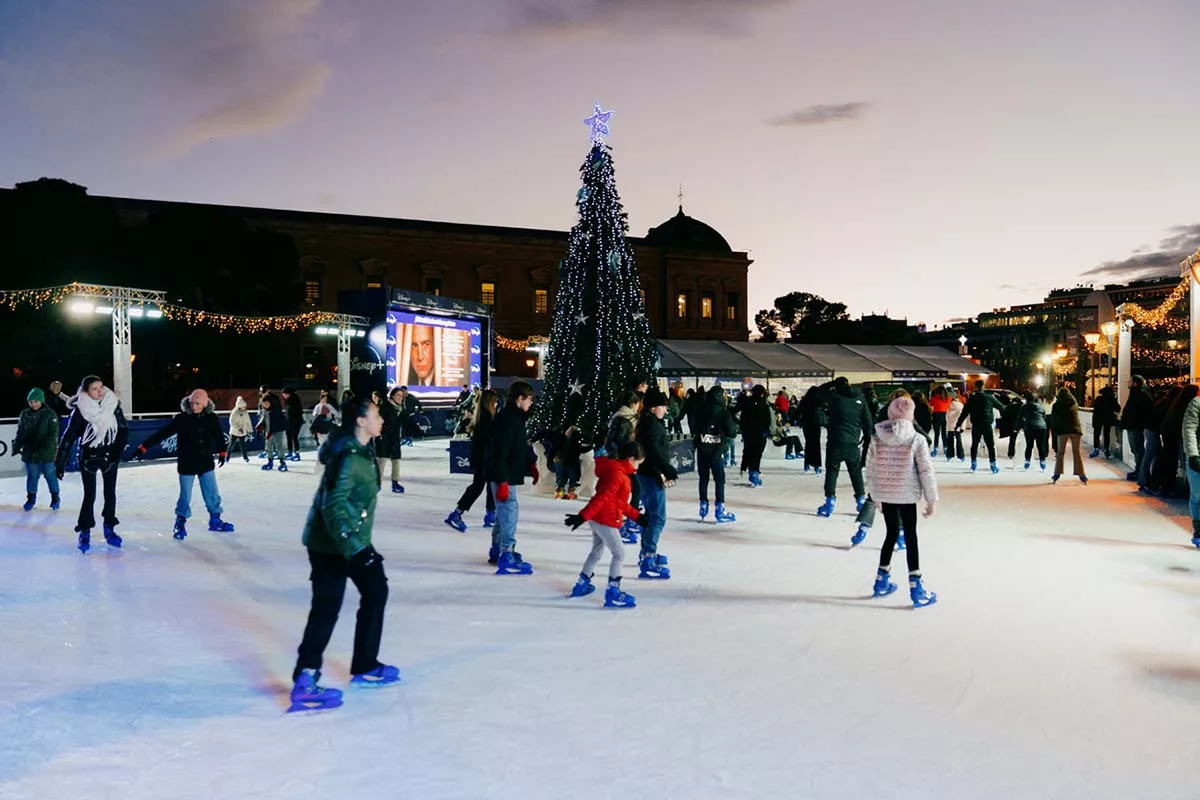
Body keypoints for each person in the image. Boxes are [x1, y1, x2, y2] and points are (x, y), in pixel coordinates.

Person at [289, 398, 399, 713]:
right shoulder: (350, 456)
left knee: (376, 590)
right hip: (330, 545)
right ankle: (305, 678)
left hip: (350, 539)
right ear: (361, 421)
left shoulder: (362, 449)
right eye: (377, 415)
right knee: (327, 606)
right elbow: (333, 505)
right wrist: (355, 549)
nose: (382, 420)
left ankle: (365, 663)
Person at [865, 396, 939, 608]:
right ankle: (916, 588)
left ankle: (881, 581)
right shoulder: (917, 439)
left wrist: (875, 495)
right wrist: (931, 499)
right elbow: (926, 471)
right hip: (906, 495)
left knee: (890, 534)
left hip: (887, 494)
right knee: (910, 536)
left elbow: (870, 468)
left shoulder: (877, 437)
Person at [133, 388, 236, 539]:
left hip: (205, 462)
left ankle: (215, 520)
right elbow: (163, 433)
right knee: (185, 495)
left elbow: (218, 435)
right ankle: (180, 523)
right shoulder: (182, 418)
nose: (194, 406)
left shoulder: (211, 418)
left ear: (205, 404)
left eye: (198, 404)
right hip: (187, 463)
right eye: (192, 403)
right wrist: (144, 446)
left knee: (211, 492)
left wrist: (222, 451)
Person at [564, 440, 642, 608]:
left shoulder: (616, 471)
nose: (637, 467)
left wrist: (637, 516)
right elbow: (602, 498)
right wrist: (582, 516)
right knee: (619, 553)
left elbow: (618, 502)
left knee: (597, 551)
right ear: (630, 458)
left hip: (599, 518)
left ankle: (581, 583)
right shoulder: (618, 475)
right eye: (637, 463)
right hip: (605, 519)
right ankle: (613, 591)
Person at [55, 376, 128, 553]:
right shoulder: (81, 410)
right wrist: (60, 461)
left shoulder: (112, 405)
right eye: (95, 389)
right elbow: (69, 436)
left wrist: (116, 454)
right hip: (88, 456)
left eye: (101, 387)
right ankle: (85, 530)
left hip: (109, 455)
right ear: (86, 392)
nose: (100, 391)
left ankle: (109, 528)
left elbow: (123, 430)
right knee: (90, 495)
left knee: (110, 493)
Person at [486, 381, 539, 573]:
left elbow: (519, 446)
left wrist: (531, 463)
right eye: (529, 399)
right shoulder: (507, 420)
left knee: (504, 513)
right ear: (520, 399)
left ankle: (498, 549)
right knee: (509, 512)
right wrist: (502, 480)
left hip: (506, 474)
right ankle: (506, 553)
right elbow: (500, 451)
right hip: (503, 475)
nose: (531, 403)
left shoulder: (515, 418)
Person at [634, 387, 678, 579]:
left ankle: (647, 552)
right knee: (657, 517)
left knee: (651, 515)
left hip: (648, 473)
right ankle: (648, 557)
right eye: (662, 406)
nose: (665, 410)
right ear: (652, 408)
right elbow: (653, 451)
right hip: (652, 474)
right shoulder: (651, 424)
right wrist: (666, 469)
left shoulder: (650, 422)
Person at [814, 377, 873, 517]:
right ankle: (860, 501)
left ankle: (829, 502)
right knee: (856, 472)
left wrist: (831, 384)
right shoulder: (860, 399)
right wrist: (866, 438)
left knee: (832, 472)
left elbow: (817, 391)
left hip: (835, 441)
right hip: (853, 442)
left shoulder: (835, 397)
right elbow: (868, 422)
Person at [444, 388, 499, 532]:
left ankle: (490, 513)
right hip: (485, 459)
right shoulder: (487, 419)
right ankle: (457, 513)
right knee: (478, 486)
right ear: (489, 403)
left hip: (483, 458)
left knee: (488, 485)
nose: (496, 404)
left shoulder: (482, 417)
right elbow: (489, 441)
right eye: (494, 402)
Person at [693, 386, 737, 523]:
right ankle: (720, 509)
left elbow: (694, 426)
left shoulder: (701, 410)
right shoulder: (723, 412)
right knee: (719, 479)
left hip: (702, 449)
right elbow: (732, 431)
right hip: (716, 451)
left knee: (703, 478)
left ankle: (703, 505)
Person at [13, 387, 61, 512]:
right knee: (32, 475)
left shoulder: (50, 414)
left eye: (36, 401)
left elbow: (53, 434)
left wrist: (45, 446)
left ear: (41, 401)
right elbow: (20, 431)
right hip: (30, 451)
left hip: (46, 451)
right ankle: (31, 498)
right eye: (31, 402)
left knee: (50, 474)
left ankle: (55, 497)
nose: (33, 404)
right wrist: (18, 444)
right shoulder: (25, 414)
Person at [604, 390, 642, 542]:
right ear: (633, 404)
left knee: (631, 490)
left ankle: (624, 521)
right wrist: (624, 456)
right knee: (629, 491)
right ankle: (619, 523)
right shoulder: (623, 420)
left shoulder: (624, 418)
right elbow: (616, 442)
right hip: (620, 462)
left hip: (622, 461)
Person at [953, 380, 1005, 473]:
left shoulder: (972, 399)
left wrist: (958, 424)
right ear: (983, 386)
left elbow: (964, 413)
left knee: (975, 444)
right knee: (990, 445)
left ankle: (973, 463)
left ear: (975, 387)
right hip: (987, 423)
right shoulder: (989, 398)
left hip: (976, 424)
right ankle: (993, 465)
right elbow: (1001, 407)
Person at [1049, 388, 1086, 485]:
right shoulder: (1074, 403)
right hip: (1075, 430)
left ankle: (1057, 474)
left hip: (1063, 431)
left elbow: (1054, 420)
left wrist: (1054, 431)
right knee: (1076, 452)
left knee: (1060, 453)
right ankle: (1082, 474)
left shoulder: (1057, 405)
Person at [1120, 375, 1154, 482]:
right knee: (1135, 449)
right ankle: (1138, 470)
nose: (1128, 383)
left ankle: (1140, 471)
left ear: (1135, 383)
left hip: (1136, 427)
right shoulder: (1135, 395)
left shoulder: (1141, 395)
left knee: (1138, 449)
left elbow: (1146, 411)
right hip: (1132, 426)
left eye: (1130, 381)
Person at [738, 384, 773, 488]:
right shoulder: (764, 404)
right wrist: (767, 431)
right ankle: (754, 474)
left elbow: (741, 416)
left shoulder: (746, 402)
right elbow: (768, 420)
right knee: (757, 454)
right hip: (760, 433)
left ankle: (749, 472)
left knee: (749, 451)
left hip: (748, 433)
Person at [1180, 391, 1200, 548]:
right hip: (1197, 456)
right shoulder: (1196, 403)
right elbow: (1189, 429)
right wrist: (1193, 455)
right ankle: (1198, 531)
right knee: (1198, 496)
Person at [259, 393, 289, 472]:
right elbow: (263, 420)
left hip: (277, 431)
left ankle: (282, 462)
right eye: (264, 404)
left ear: (271, 403)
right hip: (269, 431)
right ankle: (270, 462)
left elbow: (282, 421)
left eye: (267, 404)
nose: (265, 405)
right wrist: (259, 428)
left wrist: (283, 428)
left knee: (279, 446)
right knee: (268, 447)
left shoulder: (276, 411)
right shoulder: (265, 411)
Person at [1019, 391, 1049, 470]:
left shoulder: (1024, 406)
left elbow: (1020, 418)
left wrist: (1017, 428)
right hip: (1041, 428)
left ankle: (1027, 462)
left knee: (1029, 445)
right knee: (1040, 446)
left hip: (1030, 427)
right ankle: (1042, 462)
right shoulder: (1041, 406)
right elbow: (1044, 417)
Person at [799, 385, 825, 474]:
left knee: (808, 443)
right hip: (815, 424)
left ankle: (807, 464)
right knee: (816, 444)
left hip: (806, 425)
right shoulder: (818, 401)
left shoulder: (804, 401)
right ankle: (816, 466)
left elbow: (798, 411)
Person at [1090, 386, 1120, 459]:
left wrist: (1093, 421)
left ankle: (1096, 448)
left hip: (1098, 419)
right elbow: (1118, 408)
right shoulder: (1112, 399)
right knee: (1106, 434)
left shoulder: (1098, 399)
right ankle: (1106, 450)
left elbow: (1095, 410)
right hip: (1108, 419)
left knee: (1096, 434)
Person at [228, 396, 255, 462]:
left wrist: (250, 430)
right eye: (243, 406)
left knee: (243, 446)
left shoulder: (245, 412)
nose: (245, 408)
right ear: (239, 406)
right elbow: (232, 422)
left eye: (245, 406)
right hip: (234, 432)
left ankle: (245, 458)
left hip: (243, 432)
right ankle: (227, 457)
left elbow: (248, 422)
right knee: (231, 445)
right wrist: (238, 428)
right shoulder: (234, 412)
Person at [282, 387, 304, 461]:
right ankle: (290, 452)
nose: (283, 396)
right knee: (289, 435)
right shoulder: (288, 401)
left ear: (288, 394)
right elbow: (287, 413)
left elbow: (295, 412)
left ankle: (297, 453)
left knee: (294, 436)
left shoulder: (294, 400)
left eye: (284, 394)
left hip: (296, 421)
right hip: (289, 422)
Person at [928, 386, 951, 457]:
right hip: (945, 415)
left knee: (936, 434)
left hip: (936, 416)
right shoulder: (948, 398)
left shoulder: (934, 398)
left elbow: (930, 404)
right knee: (944, 433)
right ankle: (945, 448)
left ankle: (935, 449)